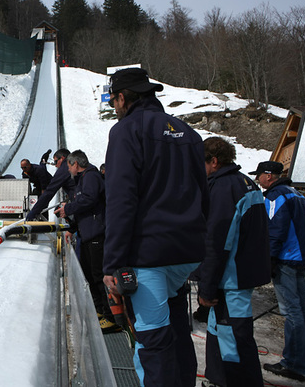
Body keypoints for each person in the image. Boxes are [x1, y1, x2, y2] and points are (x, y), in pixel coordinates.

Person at [103, 67, 209, 386]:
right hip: (186, 252)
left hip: (150, 254)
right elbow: (203, 193)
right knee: (177, 329)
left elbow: (122, 199)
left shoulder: (127, 131)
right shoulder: (188, 133)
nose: (114, 106)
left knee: (154, 341)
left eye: (114, 99)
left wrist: (113, 263)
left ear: (123, 98)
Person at [198, 137, 270, 386]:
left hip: (231, 279)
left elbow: (217, 241)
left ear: (214, 161)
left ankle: (238, 381)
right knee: (221, 331)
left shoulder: (223, 188)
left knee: (233, 337)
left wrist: (207, 287)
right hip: (240, 273)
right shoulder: (246, 183)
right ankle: (220, 378)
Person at [252, 160, 305, 382]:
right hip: (299, 257)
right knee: (304, 310)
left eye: (260, 175)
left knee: (292, 312)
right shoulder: (296, 194)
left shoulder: (276, 195)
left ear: (269, 176)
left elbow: (274, 229)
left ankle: (294, 364)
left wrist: (268, 258)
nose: (258, 180)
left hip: (286, 259)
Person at [54, 150, 119, 334]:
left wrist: (69, 209)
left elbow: (89, 200)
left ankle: (111, 317)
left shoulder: (90, 176)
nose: (68, 170)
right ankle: (99, 309)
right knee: (90, 274)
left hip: (97, 233)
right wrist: (72, 227)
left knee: (99, 276)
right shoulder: (82, 179)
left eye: (69, 166)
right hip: (87, 233)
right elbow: (83, 206)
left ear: (76, 164)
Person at [25, 148, 76, 221]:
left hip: (82, 204)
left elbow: (49, 192)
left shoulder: (64, 169)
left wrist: (33, 212)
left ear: (62, 158)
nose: (55, 165)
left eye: (55, 162)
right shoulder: (79, 164)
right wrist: (42, 164)